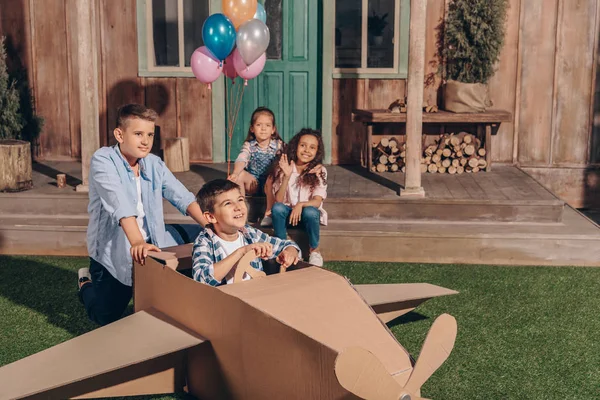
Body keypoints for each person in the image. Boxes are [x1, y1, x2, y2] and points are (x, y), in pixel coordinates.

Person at [78, 104, 207, 326]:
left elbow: (182, 197)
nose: (146, 141)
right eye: (138, 134)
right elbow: (119, 203)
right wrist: (137, 242)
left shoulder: (154, 163)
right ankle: (84, 284)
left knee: (201, 237)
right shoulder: (103, 160)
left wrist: (210, 226)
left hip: (153, 242)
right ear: (120, 135)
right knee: (104, 317)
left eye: (150, 134)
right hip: (115, 253)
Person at [192, 179, 300, 286]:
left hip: (255, 295)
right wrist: (241, 252)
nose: (238, 207)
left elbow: (286, 245)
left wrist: (290, 252)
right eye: (228, 203)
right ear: (211, 217)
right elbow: (201, 278)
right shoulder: (205, 241)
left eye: (240, 200)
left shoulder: (250, 233)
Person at [268, 129, 328, 267]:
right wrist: (287, 176)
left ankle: (314, 250)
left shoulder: (319, 171)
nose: (307, 150)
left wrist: (300, 204)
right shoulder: (285, 166)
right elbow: (278, 200)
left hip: (307, 217)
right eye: (303, 145)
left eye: (312, 147)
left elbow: (317, 201)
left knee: (312, 211)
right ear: (295, 147)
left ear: (317, 152)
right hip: (288, 215)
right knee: (277, 208)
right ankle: (284, 247)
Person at [227, 107, 283, 227]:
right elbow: (242, 158)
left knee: (272, 178)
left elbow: (287, 159)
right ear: (252, 128)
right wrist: (236, 173)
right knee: (240, 175)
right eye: (259, 125)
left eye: (267, 125)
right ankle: (241, 209)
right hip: (254, 183)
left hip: (271, 185)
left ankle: (268, 213)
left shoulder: (278, 145)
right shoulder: (249, 145)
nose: (263, 128)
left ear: (273, 129)